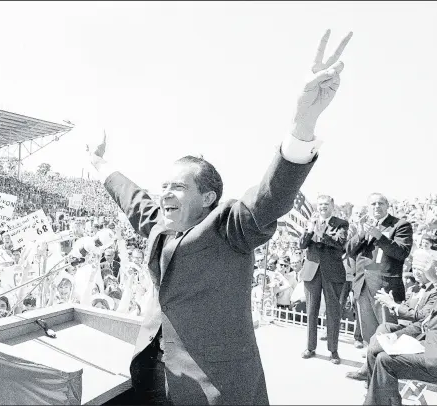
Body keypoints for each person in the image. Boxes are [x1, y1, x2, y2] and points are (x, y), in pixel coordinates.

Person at [87, 29, 352, 405]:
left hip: (215, 390)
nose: (165, 193)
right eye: (164, 186)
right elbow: (134, 200)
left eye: (177, 187)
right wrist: (99, 164)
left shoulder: (229, 228)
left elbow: (270, 198)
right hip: (154, 380)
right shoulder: (162, 229)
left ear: (208, 196)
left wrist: (303, 124)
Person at [363, 257, 437, 405]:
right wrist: (395, 337)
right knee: (381, 346)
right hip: (428, 348)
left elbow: (420, 319)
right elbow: (424, 323)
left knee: (384, 360)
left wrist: (434, 280)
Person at [348, 193, 413, 344]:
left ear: (387, 206)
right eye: (373, 204)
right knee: (368, 332)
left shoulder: (400, 225)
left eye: (380, 203)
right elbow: (349, 250)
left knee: (386, 332)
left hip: (384, 285)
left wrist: (379, 236)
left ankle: (385, 366)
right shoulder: (366, 225)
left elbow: (402, 252)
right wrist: (361, 234)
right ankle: (370, 365)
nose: (376, 206)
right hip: (362, 283)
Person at [298, 195, 348, 364]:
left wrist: (320, 233)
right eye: (320, 204)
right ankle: (310, 347)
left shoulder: (341, 223)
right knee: (311, 311)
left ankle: (333, 350)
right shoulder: (310, 222)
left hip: (332, 272)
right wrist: (310, 230)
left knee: (333, 312)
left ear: (332, 206)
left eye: (326, 204)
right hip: (312, 271)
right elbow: (302, 245)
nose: (322, 207)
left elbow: (340, 243)